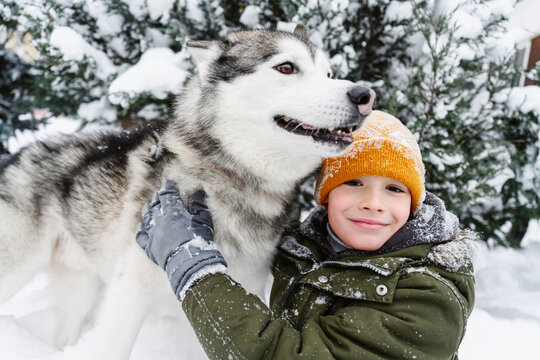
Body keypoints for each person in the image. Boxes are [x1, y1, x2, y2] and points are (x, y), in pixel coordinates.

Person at [136, 110, 476, 359]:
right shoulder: (306, 247)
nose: (374, 203)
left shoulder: (429, 295)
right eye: (353, 183)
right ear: (326, 195)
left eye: (394, 189)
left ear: (414, 201)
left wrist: (192, 266)